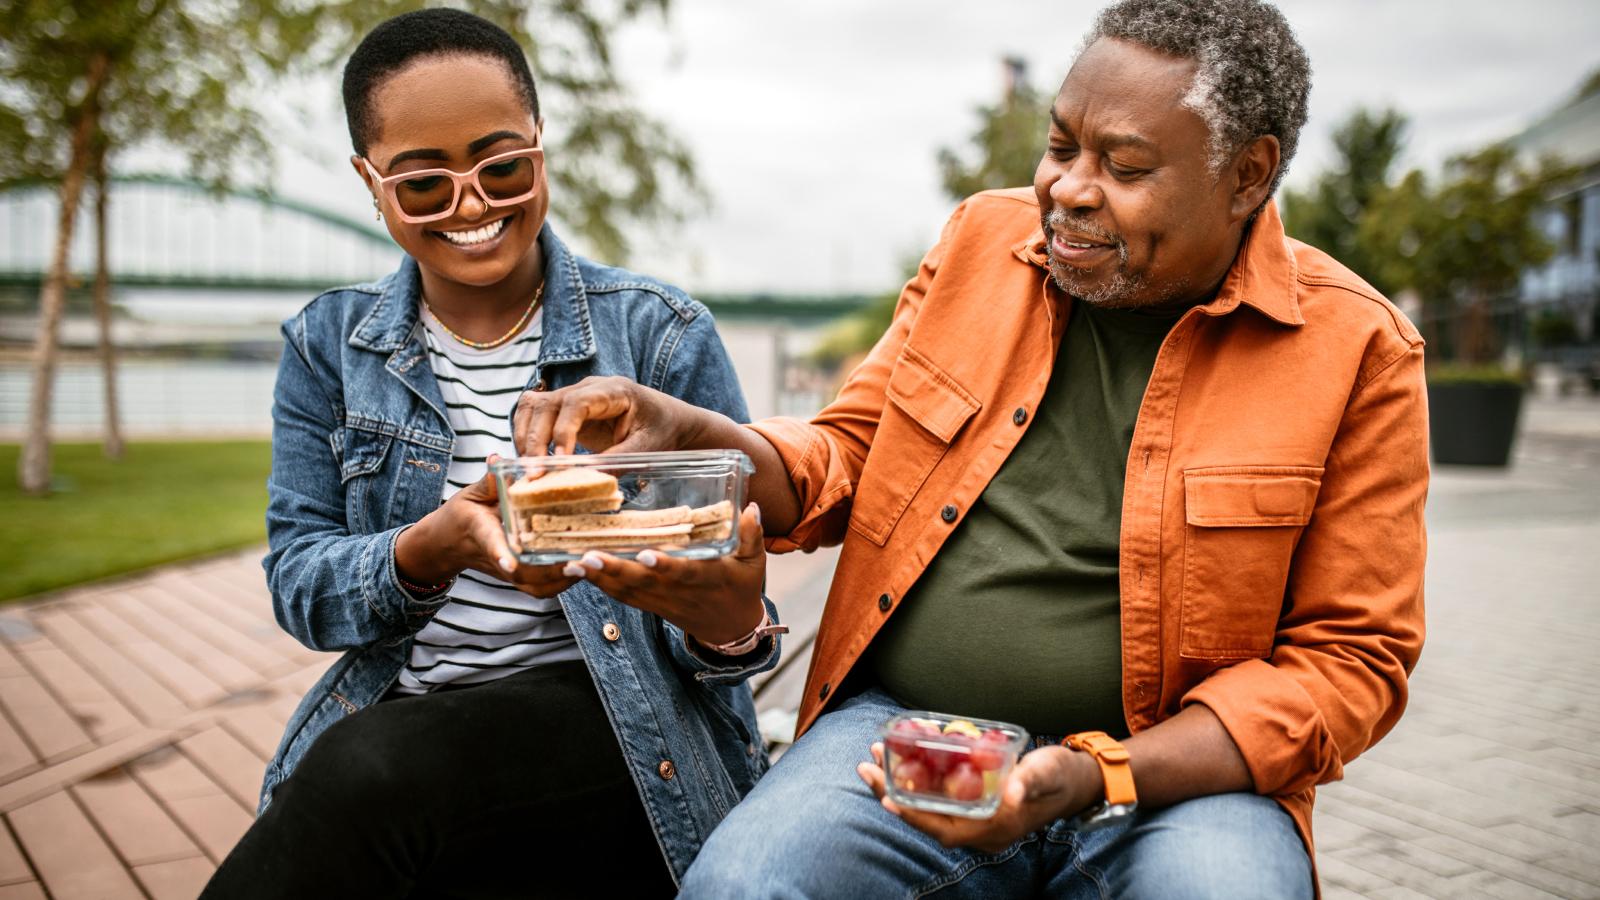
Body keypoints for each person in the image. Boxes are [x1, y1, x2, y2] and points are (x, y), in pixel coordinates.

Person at [513, 0, 1428, 896]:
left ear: (1248, 174)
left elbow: (1353, 663)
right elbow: (845, 461)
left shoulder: (1358, 349)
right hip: (913, 739)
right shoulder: (980, 245)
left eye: (1126, 164)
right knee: (747, 885)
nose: (1067, 187)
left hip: (1173, 784)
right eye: (1062, 145)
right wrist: (690, 430)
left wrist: (1097, 773)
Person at [203, 9, 781, 898]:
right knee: (389, 778)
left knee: (372, 773)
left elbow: (727, 641)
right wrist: (433, 546)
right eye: (425, 184)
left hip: (629, 740)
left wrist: (730, 619)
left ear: (540, 147)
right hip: (410, 722)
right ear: (370, 182)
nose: (473, 205)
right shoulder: (328, 344)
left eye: (501, 165)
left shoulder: (659, 336)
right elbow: (301, 589)